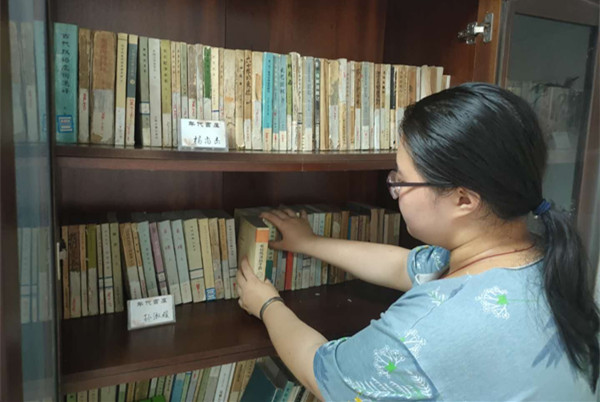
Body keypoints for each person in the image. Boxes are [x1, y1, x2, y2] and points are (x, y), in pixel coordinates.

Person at [235, 82, 599, 400]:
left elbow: (321, 372)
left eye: (402, 180)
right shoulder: (540, 257)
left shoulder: (422, 331)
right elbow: (402, 266)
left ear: (463, 199)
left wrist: (266, 303)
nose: (394, 189)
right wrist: (310, 242)